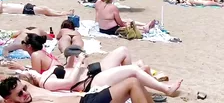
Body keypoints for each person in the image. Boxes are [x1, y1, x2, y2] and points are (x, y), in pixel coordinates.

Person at [19, 51, 182, 96]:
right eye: (28, 73)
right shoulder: (46, 83)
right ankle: (165, 89)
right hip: (91, 81)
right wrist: (80, 63)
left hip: (91, 70)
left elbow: (65, 70)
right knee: (133, 70)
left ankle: (138, 81)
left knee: (123, 51)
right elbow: (70, 83)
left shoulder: (45, 73)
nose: (29, 70)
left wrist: (73, 58)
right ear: (30, 78)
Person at [0, 76, 155, 103]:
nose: (25, 93)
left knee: (136, 83)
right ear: (8, 100)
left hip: (87, 98)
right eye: (20, 94)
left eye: (24, 89)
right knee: (132, 83)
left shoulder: (29, 95)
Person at [0, 1, 74, 17]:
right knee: (45, 10)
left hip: (25, 6)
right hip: (24, 10)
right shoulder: (2, 8)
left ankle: (61, 12)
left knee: (45, 7)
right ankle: (62, 14)